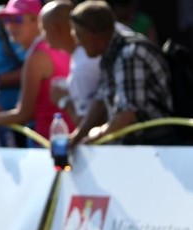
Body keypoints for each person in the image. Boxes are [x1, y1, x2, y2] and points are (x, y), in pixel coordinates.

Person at [69, 0, 172, 145]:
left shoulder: (128, 54)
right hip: (140, 145)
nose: (77, 42)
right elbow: (100, 101)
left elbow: (127, 115)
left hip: (157, 144)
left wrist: (95, 138)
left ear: (93, 36)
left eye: (78, 35)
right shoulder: (111, 52)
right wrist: (77, 136)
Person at [0, 0, 74, 141]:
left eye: (17, 19)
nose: (10, 26)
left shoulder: (37, 56)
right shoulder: (51, 47)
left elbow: (24, 115)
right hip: (59, 140)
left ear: (37, 21)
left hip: (49, 143)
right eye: (6, 20)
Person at [40, 1, 100, 125]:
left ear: (56, 29)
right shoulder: (83, 54)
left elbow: (86, 125)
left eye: (43, 30)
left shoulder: (82, 66)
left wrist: (63, 100)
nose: (42, 37)